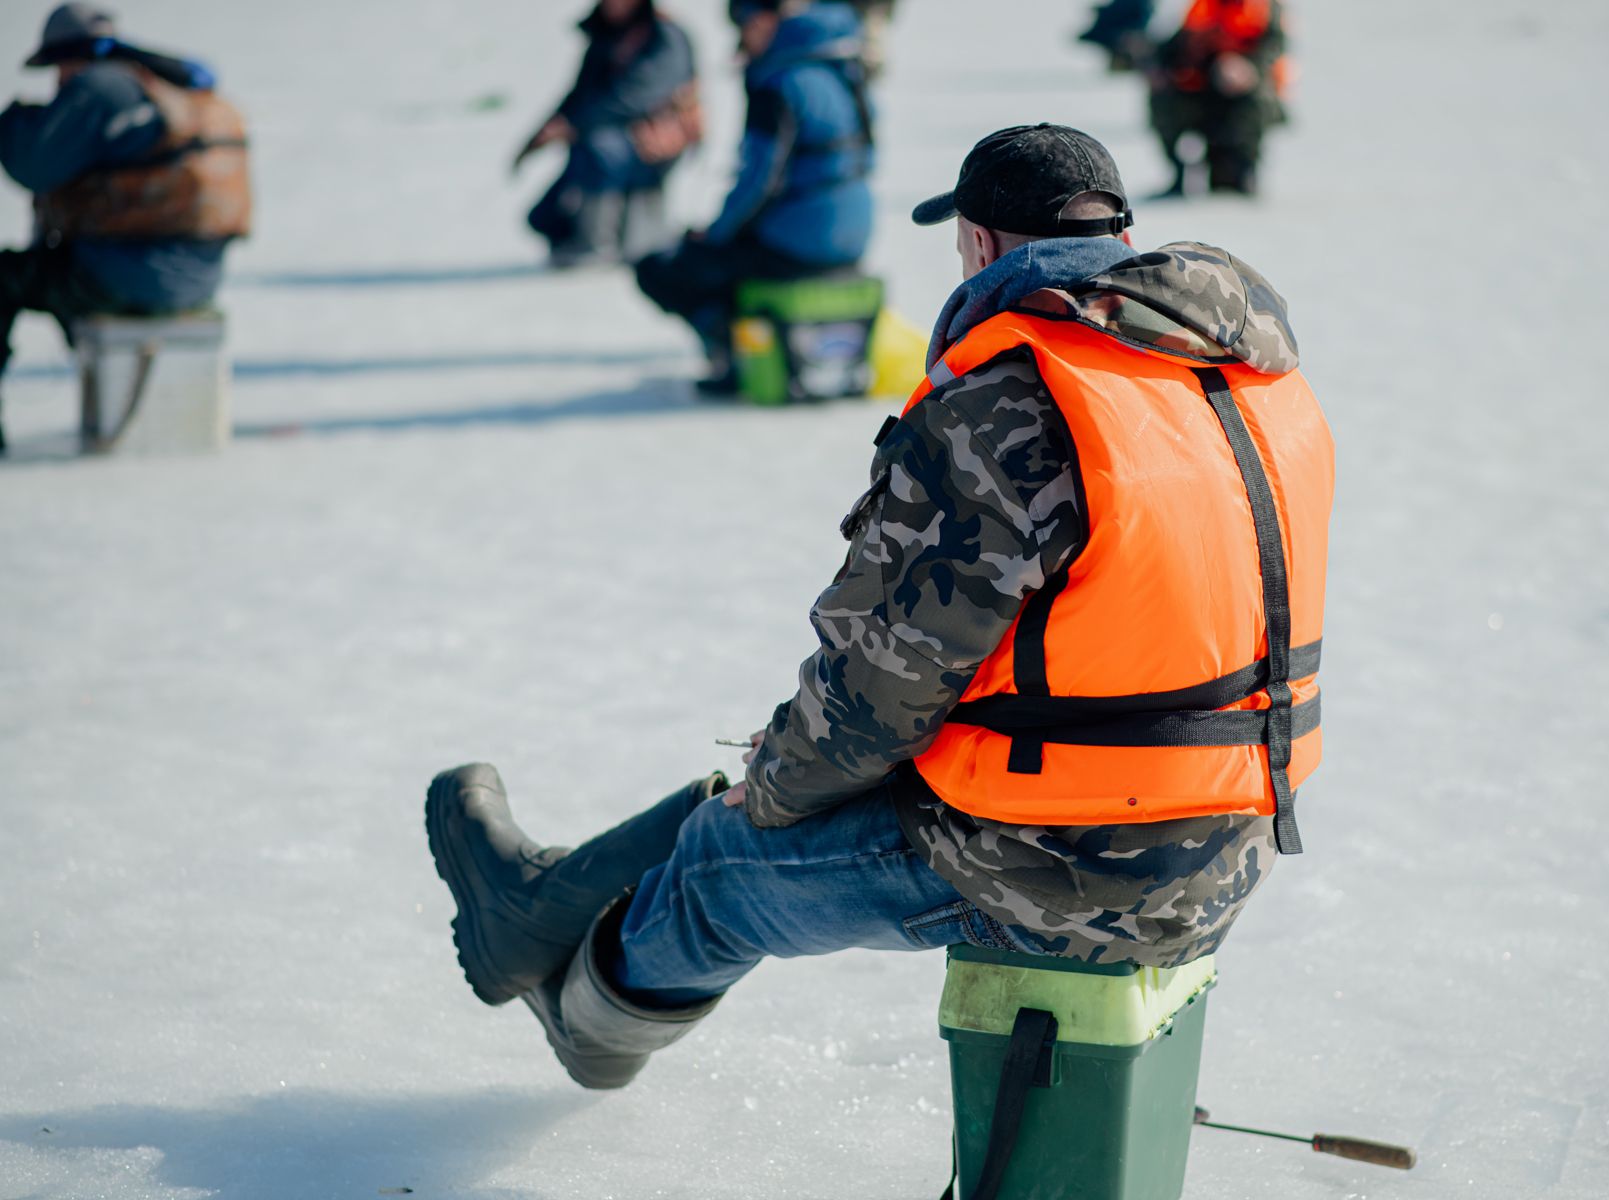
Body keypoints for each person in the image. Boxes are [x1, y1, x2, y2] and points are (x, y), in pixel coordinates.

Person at [425, 124, 1333, 1092]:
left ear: (982, 245)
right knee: (766, 791)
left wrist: (766, 791)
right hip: (1231, 843)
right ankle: (539, 908)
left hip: (1067, 872)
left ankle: (586, 1025)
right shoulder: (1246, 380)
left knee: (722, 858)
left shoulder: (1009, 405)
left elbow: (873, 694)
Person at [0, 2, 249, 455]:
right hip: (197, 280)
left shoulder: (99, 89)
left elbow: (32, 165)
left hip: (127, 277)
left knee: (5, 278)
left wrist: (16, 121)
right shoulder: (164, 85)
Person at [634, 0, 872, 393]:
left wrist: (713, 236)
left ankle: (732, 355)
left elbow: (758, 182)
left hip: (798, 243)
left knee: (663, 268)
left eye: (742, 24)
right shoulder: (841, 65)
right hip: (855, 233)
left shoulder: (778, 84)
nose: (740, 36)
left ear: (763, 20)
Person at [515, 0, 702, 269]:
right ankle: (583, 239)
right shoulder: (608, 34)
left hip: (654, 142)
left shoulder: (664, 35)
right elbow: (581, 93)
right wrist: (543, 134)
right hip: (601, 140)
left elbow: (640, 94)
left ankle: (598, 244)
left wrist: (576, 124)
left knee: (599, 148)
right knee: (543, 216)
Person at [1148, 0, 1290, 196]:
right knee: (1163, 96)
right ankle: (1178, 174)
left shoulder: (1266, 7)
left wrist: (1247, 68)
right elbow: (1178, 42)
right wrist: (1159, 68)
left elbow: (1275, 48)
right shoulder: (1203, 5)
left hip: (1246, 92)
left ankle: (1244, 171)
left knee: (1254, 103)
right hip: (1204, 87)